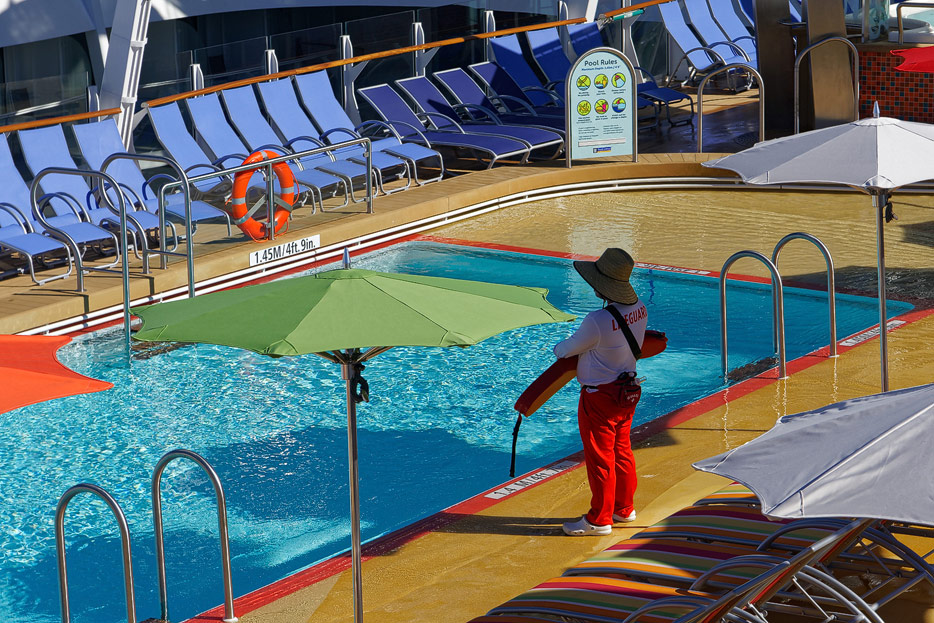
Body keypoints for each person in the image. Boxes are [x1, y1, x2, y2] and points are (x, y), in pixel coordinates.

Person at [554, 248, 647, 536]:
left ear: (603, 285)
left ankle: (599, 519)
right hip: (627, 391)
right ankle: (624, 508)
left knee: (600, 458)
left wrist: (563, 346)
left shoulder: (597, 320)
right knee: (622, 451)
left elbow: (564, 350)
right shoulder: (640, 309)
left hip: (599, 397)